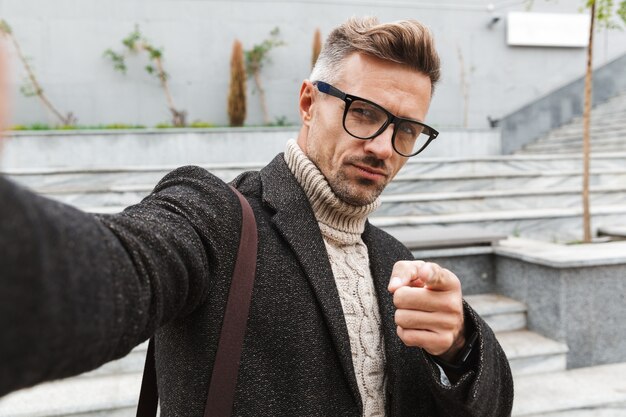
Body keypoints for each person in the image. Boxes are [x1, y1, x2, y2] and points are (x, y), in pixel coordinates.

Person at [0, 17, 513, 416]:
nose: (383, 147)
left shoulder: (394, 260)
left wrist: (460, 344)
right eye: (364, 113)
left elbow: (491, 405)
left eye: (405, 129)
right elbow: (121, 266)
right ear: (309, 102)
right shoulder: (218, 215)